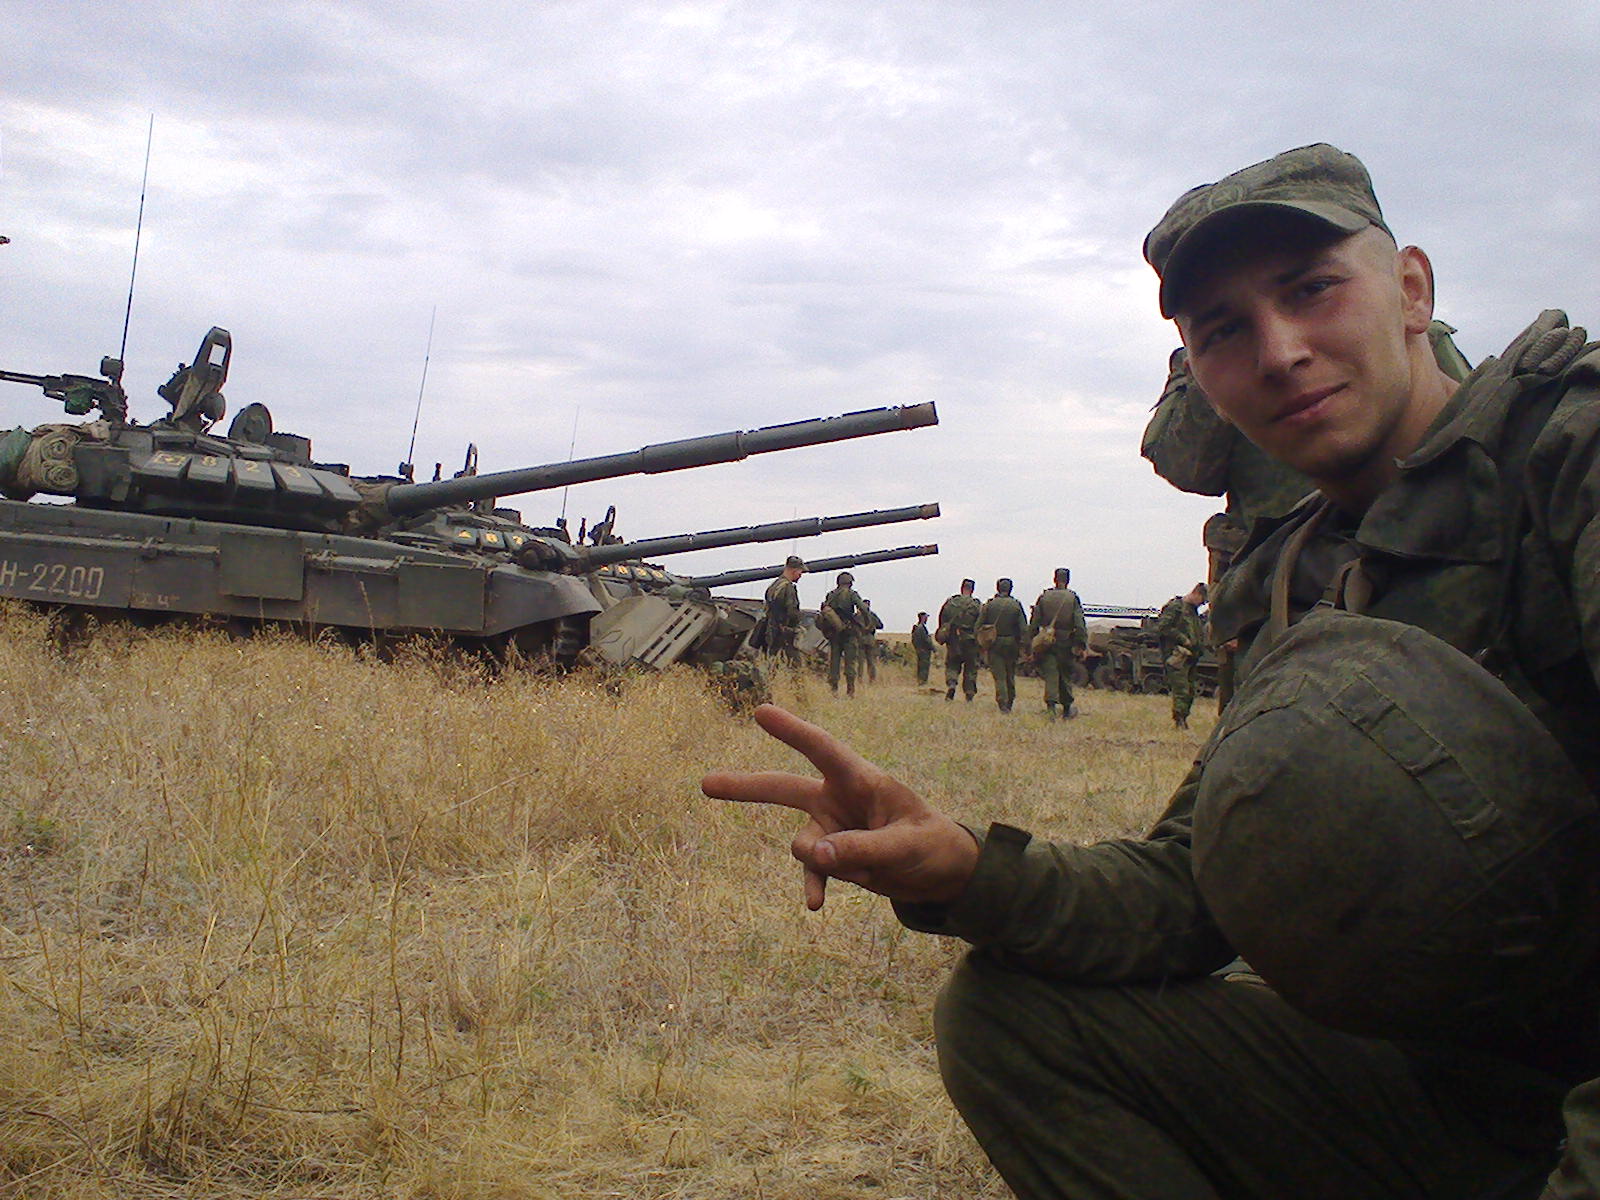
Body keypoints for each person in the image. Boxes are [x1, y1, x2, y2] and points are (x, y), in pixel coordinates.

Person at [702, 143, 1600, 1199]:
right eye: (1223, 331)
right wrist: (967, 872)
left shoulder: (1569, 458)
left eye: (1311, 290)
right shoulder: (1297, 577)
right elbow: (1193, 888)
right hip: (1468, 1087)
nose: (1279, 352)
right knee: (1009, 1021)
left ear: (1411, 290)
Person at [1142, 322, 1472, 707]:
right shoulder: (1217, 358)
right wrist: (1212, 359)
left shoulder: (1406, 328)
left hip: (1412, 580)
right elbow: (1184, 466)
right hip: (1277, 599)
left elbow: (1480, 439)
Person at [1027, 567, 1087, 720]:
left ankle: (1051, 708)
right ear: (1068, 580)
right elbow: (1079, 623)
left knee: (1051, 674)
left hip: (1047, 641)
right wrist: (1081, 644)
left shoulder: (1044, 597)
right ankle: (1067, 708)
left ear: (1054, 579)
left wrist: (1031, 643)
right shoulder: (1072, 598)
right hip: (1066, 642)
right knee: (1065, 675)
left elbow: (1034, 622)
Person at [1155, 582, 1207, 729]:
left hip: (1190, 656)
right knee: (1181, 690)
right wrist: (1183, 639)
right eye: (1202, 600)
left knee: (1190, 690)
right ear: (1196, 594)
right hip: (1177, 655)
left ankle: (1183, 718)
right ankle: (1180, 720)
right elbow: (1163, 627)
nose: (1202, 604)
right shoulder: (1176, 607)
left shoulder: (1192, 611)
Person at [979, 578, 1028, 714]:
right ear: (1010, 589)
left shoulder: (989, 605)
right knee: (1010, 674)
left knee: (999, 675)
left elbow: (979, 625)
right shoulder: (1015, 605)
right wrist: (1025, 647)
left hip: (994, 643)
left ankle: (1002, 702)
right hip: (1012, 644)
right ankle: (1010, 700)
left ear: (997, 588)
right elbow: (1023, 629)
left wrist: (982, 644)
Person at [821, 570, 869, 697]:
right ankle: (850, 690)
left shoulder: (830, 595)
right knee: (850, 662)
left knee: (834, 662)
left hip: (834, 632)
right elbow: (863, 608)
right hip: (849, 632)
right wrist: (867, 623)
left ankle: (834, 690)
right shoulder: (851, 594)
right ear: (850, 583)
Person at [937, 579, 982, 702]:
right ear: (972, 590)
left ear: (961, 588)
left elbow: (942, 620)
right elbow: (980, 623)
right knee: (971, 668)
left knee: (952, 664)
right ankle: (969, 693)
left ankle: (951, 684)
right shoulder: (976, 605)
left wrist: (947, 634)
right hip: (970, 641)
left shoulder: (951, 602)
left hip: (953, 640)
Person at [762, 555, 806, 665]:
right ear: (794, 570)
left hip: (771, 630)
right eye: (800, 572)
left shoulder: (774, 585)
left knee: (771, 662)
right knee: (794, 665)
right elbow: (792, 613)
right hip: (784, 633)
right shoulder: (788, 588)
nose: (800, 575)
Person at [860, 598, 884, 682]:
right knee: (871, 661)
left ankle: (860, 679)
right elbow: (880, 625)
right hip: (870, 639)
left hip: (860, 639)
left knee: (860, 661)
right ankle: (872, 679)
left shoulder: (857, 616)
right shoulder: (872, 615)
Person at [911, 611, 934, 685]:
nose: (927, 619)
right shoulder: (921, 628)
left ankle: (920, 681)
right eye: (926, 617)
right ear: (923, 618)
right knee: (924, 667)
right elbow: (927, 640)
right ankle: (923, 682)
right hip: (924, 651)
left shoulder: (916, 627)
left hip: (919, 650)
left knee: (920, 666)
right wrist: (934, 649)